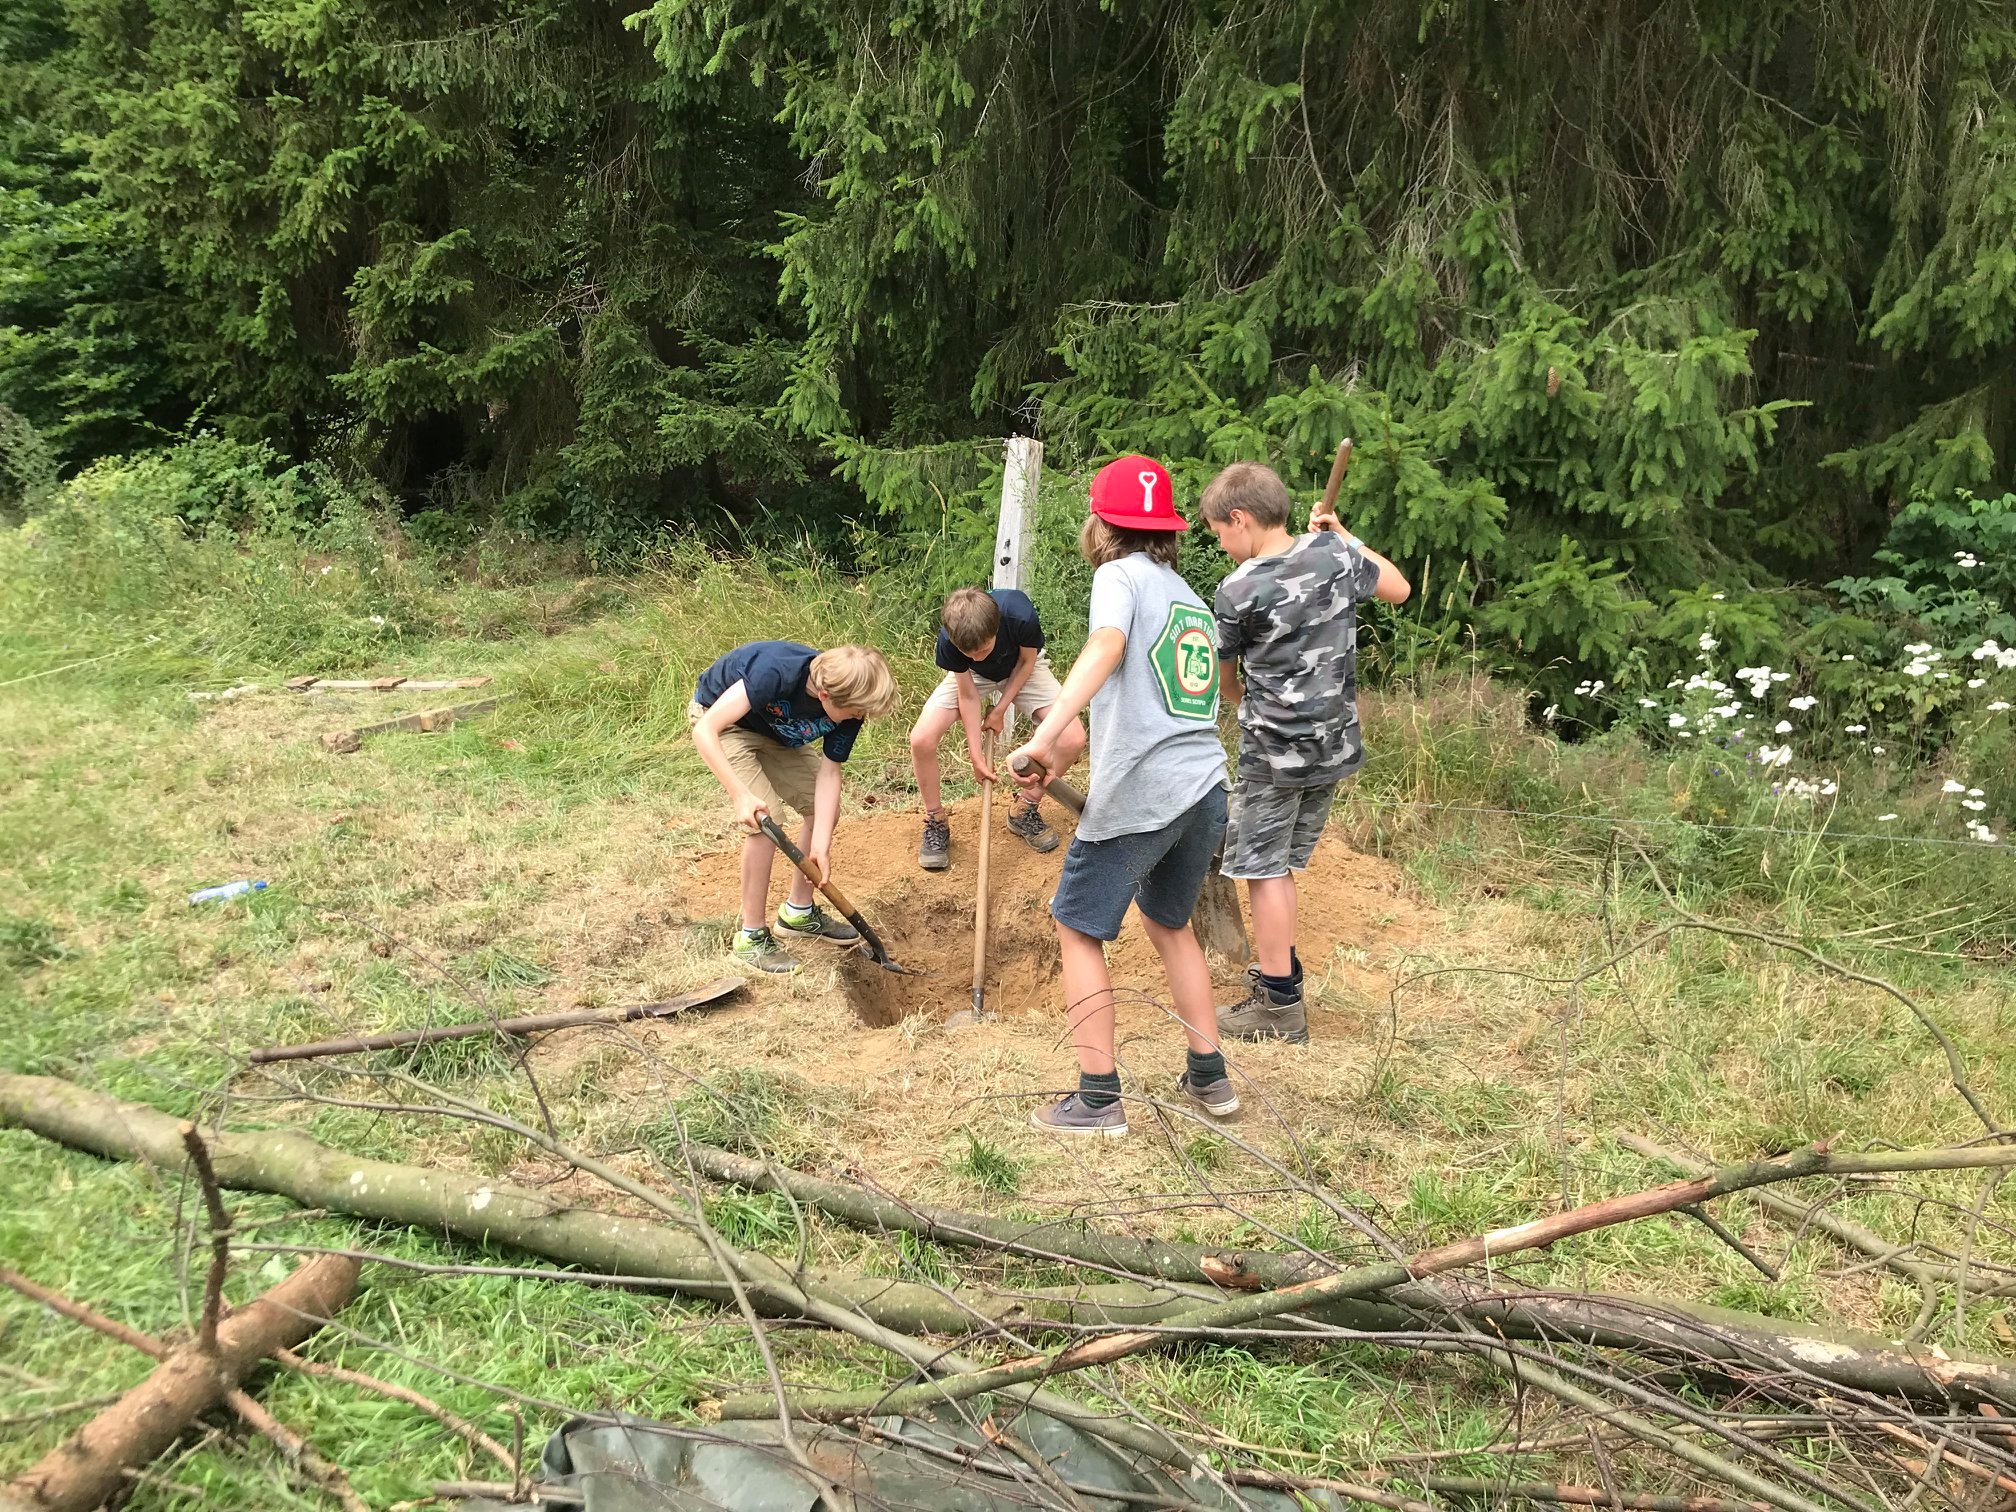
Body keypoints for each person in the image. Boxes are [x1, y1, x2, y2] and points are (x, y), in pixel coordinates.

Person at [1009, 455, 1233, 1138]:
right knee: (1170, 923)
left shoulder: (1117, 575)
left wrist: (1044, 735)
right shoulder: (1188, 595)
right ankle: (1211, 1076)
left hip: (1145, 789)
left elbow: (1107, 645)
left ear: (1102, 525)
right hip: (1205, 786)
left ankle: (1098, 1100)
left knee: (1077, 927)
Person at [1198, 461, 1411, 1043]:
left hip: (1273, 755)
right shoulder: (1334, 555)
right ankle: (1279, 980)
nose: (1222, 546)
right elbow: (1399, 589)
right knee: (1282, 866)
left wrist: (1249, 707)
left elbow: (1226, 680)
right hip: (1334, 748)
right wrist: (1344, 535)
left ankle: (1279, 1005)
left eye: (1220, 533)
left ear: (1240, 518)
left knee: (1263, 871)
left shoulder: (1239, 589)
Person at [689, 641, 899, 975]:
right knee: (765, 823)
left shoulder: (851, 705)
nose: (860, 718)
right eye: (856, 713)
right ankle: (751, 937)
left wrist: (821, 846)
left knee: (824, 811)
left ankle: (798, 913)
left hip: (775, 734)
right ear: (826, 696)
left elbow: (829, 773)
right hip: (726, 724)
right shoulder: (775, 671)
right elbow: (706, 730)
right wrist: (740, 795)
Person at [910, 586, 1086, 869]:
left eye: (983, 649)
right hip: (974, 679)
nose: (977, 657)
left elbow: (1027, 662)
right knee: (921, 739)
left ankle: (1025, 808)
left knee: (1073, 737)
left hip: (1021, 667)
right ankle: (935, 820)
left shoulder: (1019, 615)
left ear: (996, 629)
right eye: (969, 653)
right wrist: (976, 756)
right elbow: (968, 695)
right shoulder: (951, 639)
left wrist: (1001, 708)